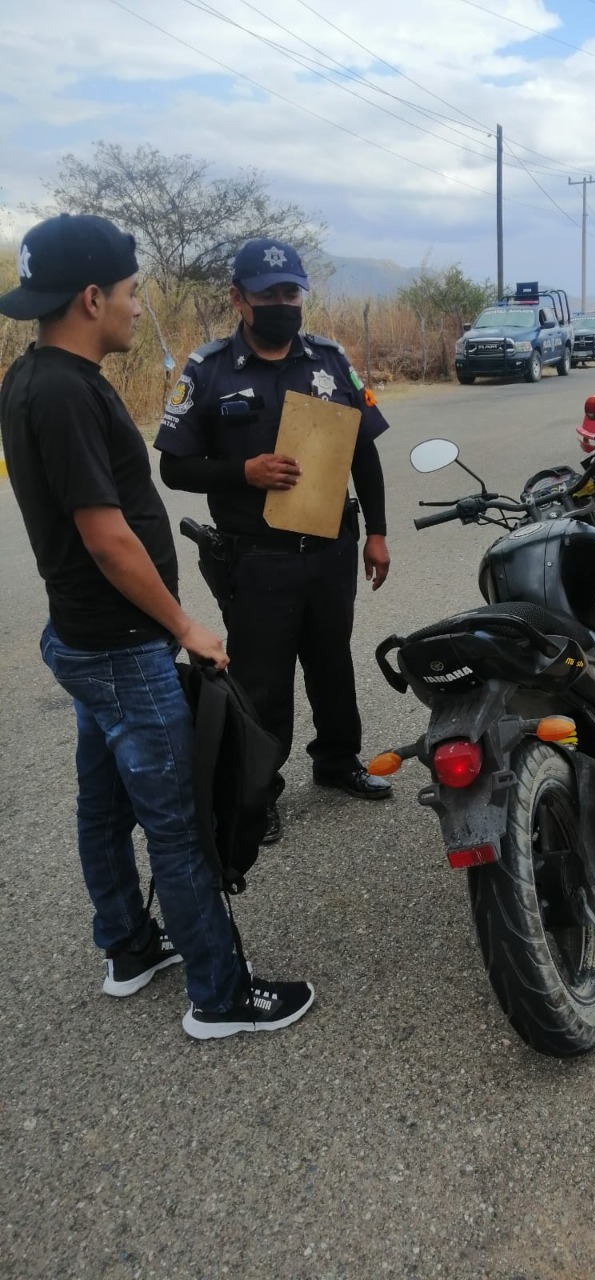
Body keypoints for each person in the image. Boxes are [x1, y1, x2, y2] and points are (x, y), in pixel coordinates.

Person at [0, 214, 314, 1037]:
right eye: (133, 293)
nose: (141, 309)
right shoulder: (67, 392)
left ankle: (129, 945)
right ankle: (220, 993)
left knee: (102, 804)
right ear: (92, 296)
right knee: (178, 825)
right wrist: (186, 628)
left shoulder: (31, 377)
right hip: (122, 644)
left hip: (81, 639)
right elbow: (106, 538)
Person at [155, 238, 393, 845]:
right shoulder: (207, 370)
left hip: (331, 549)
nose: (284, 304)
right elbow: (174, 469)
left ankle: (338, 763)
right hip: (256, 558)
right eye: (269, 295)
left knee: (333, 663)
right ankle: (259, 793)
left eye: (292, 293)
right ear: (239, 299)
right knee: (262, 682)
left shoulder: (331, 360)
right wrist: (244, 472)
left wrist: (378, 534)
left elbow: (363, 451)